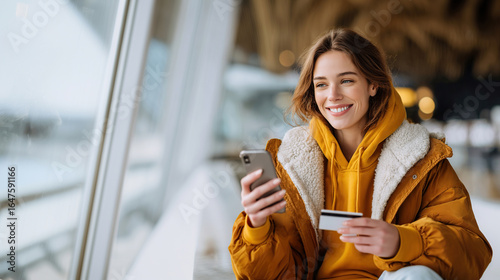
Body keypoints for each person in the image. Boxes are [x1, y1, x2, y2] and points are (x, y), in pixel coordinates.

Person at [228, 28, 492, 279]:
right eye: (321, 85)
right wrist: (257, 227)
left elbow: (473, 253)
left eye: (346, 81)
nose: (332, 96)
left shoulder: (422, 159)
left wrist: (404, 241)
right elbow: (270, 275)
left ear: (373, 84)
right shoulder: (290, 164)